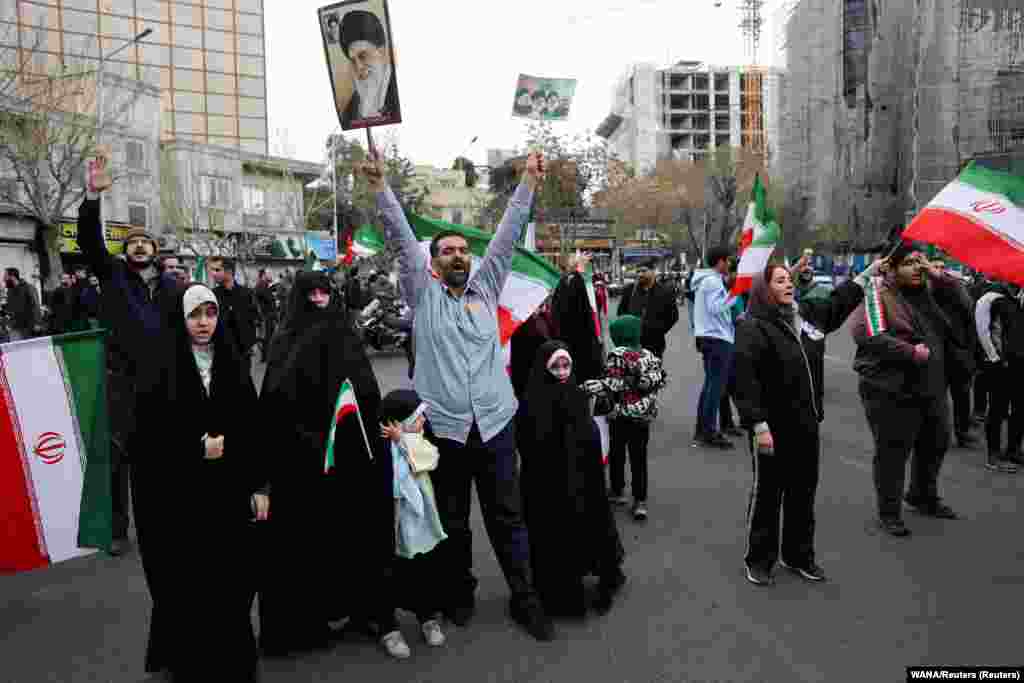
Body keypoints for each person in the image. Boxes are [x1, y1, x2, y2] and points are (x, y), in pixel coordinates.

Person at [367, 150, 556, 641]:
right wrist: (381, 187)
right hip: (446, 430)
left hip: (494, 424)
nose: (458, 255)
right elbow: (400, 237)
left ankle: (525, 598)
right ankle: (460, 593)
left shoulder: (486, 290)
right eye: (446, 251)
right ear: (431, 264)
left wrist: (529, 185)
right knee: (453, 519)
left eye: (462, 250)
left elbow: (507, 234)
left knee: (506, 517)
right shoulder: (422, 293)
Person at [130, 284, 266, 681]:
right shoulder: (160, 365)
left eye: (210, 313)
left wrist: (260, 485)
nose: (204, 322)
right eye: (195, 314)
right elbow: (145, 437)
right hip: (179, 500)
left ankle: (231, 663)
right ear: (181, 319)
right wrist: (194, 449)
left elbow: (252, 426)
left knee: (231, 582)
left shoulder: (232, 361)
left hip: (227, 496)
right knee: (187, 586)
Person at [257, 270, 397, 657]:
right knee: (306, 541)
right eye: (311, 293)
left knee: (356, 534)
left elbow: (367, 391)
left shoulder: (345, 335)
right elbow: (274, 399)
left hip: (350, 457)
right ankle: (306, 622)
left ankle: (364, 611)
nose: (319, 299)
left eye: (325, 292)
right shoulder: (285, 339)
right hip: (301, 462)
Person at [734, 259, 874, 586]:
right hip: (771, 428)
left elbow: (837, 303)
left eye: (789, 280)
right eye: (780, 280)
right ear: (764, 289)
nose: (788, 284)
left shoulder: (807, 317)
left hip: (806, 424)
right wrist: (757, 424)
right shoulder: (752, 326)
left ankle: (798, 555)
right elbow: (744, 380)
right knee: (769, 495)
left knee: (803, 493)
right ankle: (759, 559)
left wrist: (867, 276)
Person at [79, 150, 178, 556]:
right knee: (120, 460)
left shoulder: (172, 289)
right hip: (121, 383)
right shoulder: (114, 274)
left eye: (145, 242)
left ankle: (164, 522)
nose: (139, 247)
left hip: (164, 384)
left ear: (155, 250)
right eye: (132, 243)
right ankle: (118, 530)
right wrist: (91, 196)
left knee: (162, 462)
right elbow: (88, 241)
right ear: (125, 252)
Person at [851, 244, 961, 537]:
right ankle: (889, 512)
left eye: (919, 262)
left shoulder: (929, 291)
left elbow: (964, 304)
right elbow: (866, 334)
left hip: (931, 383)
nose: (917, 268)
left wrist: (939, 275)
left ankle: (922, 496)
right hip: (889, 387)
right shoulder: (878, 293)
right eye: (909, 263)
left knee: (937, 441)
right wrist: (910, 352)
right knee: (893, 451)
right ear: (892, 267)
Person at [518, 341, 626, 617]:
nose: (563, 371)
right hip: (550, 482)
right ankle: (561, 591)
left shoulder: (575, 393)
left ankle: (595, 574)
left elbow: (587, 433)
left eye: (566, 365)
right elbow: (531, 443)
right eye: (556, 366)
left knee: (588, 525)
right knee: (556, 533)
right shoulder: (534, 399)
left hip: (582, 477)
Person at [379, 389, 449, 655]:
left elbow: (428, 458)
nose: (423, 423)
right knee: (389, 572)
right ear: (399, 421)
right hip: (394, 524)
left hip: (420, 525)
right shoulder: (382, 447)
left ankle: (427, 617)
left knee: (424, 570)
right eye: (417, 418)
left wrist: (403, 441)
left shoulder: (417, 441)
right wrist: (396, 442)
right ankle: (389, 628)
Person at [583, 315, 668, 523]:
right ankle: (640, 501)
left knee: (618, 452)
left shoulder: (617, 354)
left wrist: (592, 386)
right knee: (639, 457)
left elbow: (614, 383)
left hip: (620, 414)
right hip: (643, 415)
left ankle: (618, 490)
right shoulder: (649, 354)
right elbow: (659, 379)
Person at [689, 247, 736, 449]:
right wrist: (735, 293)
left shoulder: (705, 280)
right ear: (720, 262)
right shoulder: (713, 281)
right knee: (714, 388)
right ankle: (708, 431)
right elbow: (717, 308)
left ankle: (703, 429)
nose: (730, 264)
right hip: (717, 338)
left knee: (710, 386)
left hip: (709, 336)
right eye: (728, 261)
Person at [979, 287, 1024, 472]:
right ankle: (993, 455)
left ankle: (1013, 450)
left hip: (1020, 361)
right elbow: (983, 330)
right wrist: (994, 357)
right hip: (1000, 362)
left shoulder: (1018, 299)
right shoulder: (990, 298)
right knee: (998, 407)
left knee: (1020, 407)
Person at [336, 9, 400, 128]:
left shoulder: (398, 92)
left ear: (381, 53)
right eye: (353, 61)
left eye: (363, 56)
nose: (359, 67)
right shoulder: (350, 112)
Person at [550, 252, 604, 384]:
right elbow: (575, 309)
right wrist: (579, 270)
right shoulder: (570, 281)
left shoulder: (574, 280)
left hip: (580, 343)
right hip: (576, 345)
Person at [616, 259, 679, 359]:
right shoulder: (629, 290)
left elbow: (673, 316)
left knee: (653, 372)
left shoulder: (665, 292)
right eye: (638, 271)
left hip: (654, 345)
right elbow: (620, 312)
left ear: (653, 271)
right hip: (631, 344)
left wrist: (657, 331)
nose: (640, 274)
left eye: (644, 271)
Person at [208, 257, 258, 378]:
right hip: (221, 353)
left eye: (217, 270)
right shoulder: (212, 294)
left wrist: (253, 343)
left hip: (243, 352)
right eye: (212, 270)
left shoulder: (247, 293)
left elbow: (253, 319)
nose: (213, 273)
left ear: (229, 271)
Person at [4, 268, 39, 340]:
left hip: (28, 326)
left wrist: (37, 323)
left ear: (12, 277)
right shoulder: (10, 291)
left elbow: (35, 305)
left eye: (5, 276)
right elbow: (9, 309)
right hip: (14, 327)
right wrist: (8, 323)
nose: (3, 279)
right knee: (15, 348)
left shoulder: (28, 287)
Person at [253, 268, 277, 360]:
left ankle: (265, 356)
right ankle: (266, 356)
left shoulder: (264, 285)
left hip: (266, 315)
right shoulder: (261, 285)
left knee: (267, 337)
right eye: (269, 274)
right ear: (264, 275)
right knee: (267, 337)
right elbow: (268, 299)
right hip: (266, 316)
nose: (271, 276)